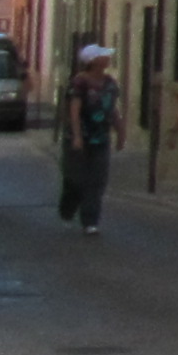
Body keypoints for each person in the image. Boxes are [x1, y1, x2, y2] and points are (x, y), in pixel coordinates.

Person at [52, 43, 120, 234]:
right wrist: (77, 136)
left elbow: (111, 108)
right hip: (80, 138)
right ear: (93, 61)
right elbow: (74, 110)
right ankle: (67, 209)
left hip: (101, 138)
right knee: (76, 179)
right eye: (103, 57)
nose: (107, 59)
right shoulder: (79, 82)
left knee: (97, 180)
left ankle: (90, 221)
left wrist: (120, 130)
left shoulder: (109, 83)